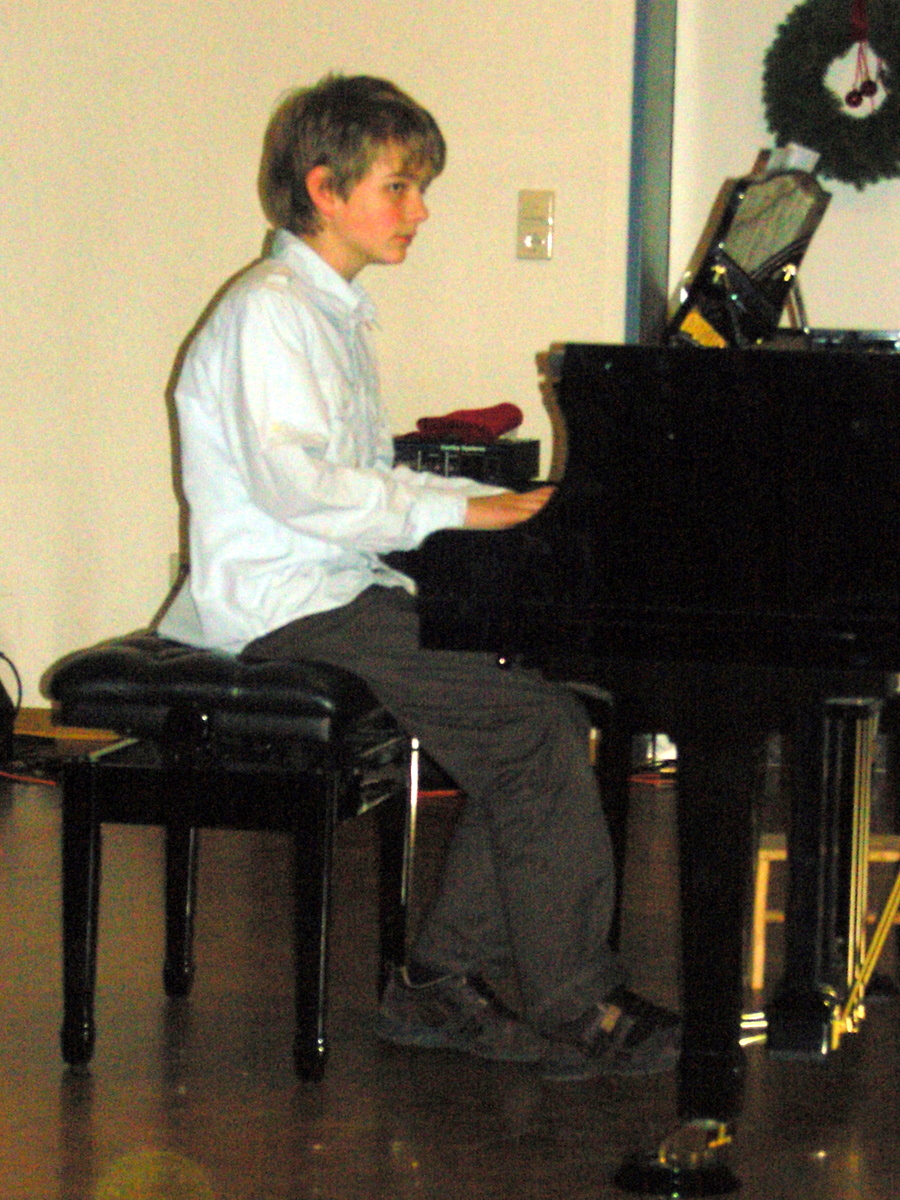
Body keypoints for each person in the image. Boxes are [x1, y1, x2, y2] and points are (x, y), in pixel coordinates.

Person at [158, 73, 679, 1080]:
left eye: (418, 188)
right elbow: (302, 490)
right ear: (324, 188)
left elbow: (363, 476)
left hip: (336, 588)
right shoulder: (270, 313)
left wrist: (493, 505)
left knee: (553, 707)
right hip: (283, 608)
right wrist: (470, 511)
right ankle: (577, 1003)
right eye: (398, 187)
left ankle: (442, 979)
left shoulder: (325, 310)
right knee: (531, 729)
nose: (420, 210)